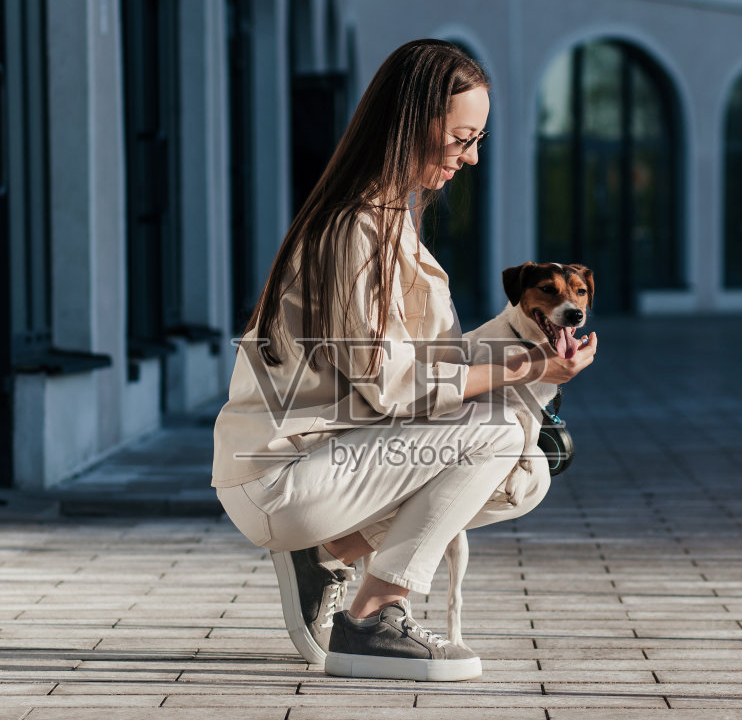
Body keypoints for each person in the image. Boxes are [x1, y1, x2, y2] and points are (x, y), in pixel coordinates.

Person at [211, 39, 598, 681]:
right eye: (461, 138)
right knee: (498, 434)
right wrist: (530, 371)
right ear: (410, 124)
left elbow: (436, 365)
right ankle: (372, 618)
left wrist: (535, 346)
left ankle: (333, 549)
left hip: (339, 461)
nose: (471, 156)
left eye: (478, 140)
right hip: (283, 472)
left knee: (526, 467)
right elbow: (395, 386)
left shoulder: (391, 225)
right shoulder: (353, 230)